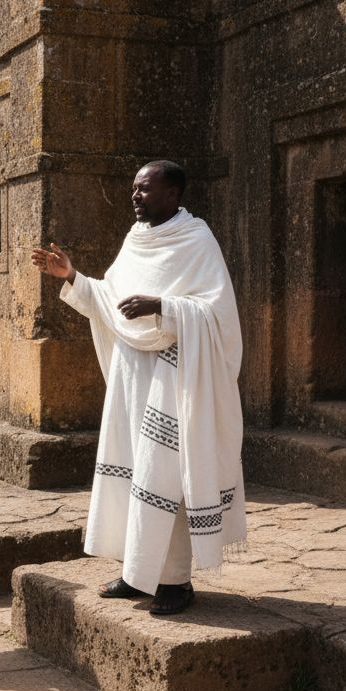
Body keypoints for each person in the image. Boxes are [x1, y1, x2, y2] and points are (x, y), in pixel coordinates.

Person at [31, 160, 246, 616]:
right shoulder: (135, 239)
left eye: (145, 190)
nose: (135, 197)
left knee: (166, 474)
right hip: (132, 380)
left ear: (173, 194)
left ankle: (174, 582)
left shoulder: (197, 240)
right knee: (135, 469)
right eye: (134, 189)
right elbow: (109, 298)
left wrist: (163, 306)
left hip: (174, 376)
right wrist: (71, 276)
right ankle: (138, 572)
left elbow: (217, 314)